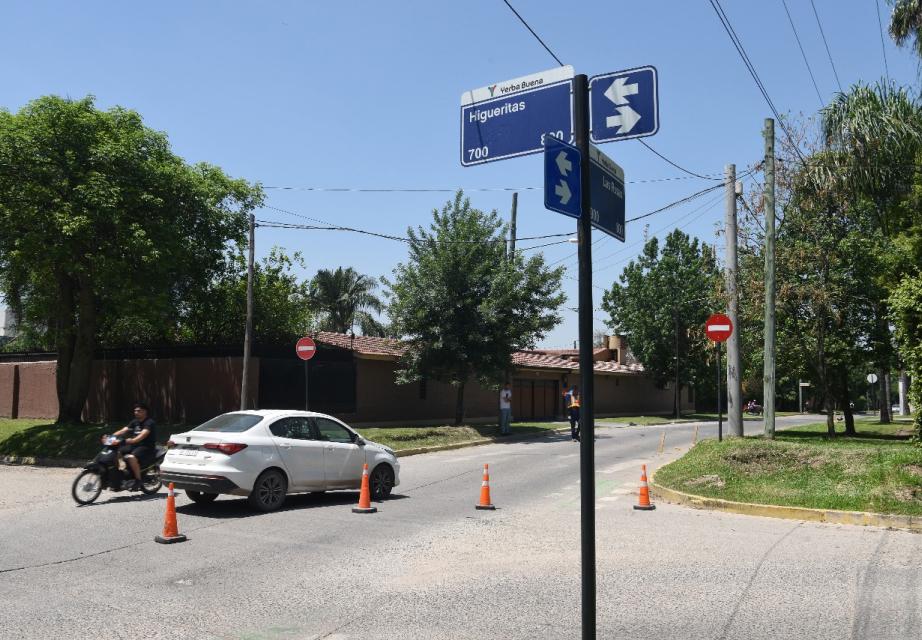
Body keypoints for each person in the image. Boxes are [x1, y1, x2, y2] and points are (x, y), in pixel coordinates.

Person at [104, 402, 156, 490]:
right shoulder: (135, 422)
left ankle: (138, 480)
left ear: (145, 412)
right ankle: (118, 475)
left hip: (146, 447)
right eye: (135, 411)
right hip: (135, 445)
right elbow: (123, 430)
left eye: (138, 411)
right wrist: (110, 437)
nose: (136, 412)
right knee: (116, 451)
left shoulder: (149, 422)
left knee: (131, 457)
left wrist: (131, 440)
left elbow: (143, 435)